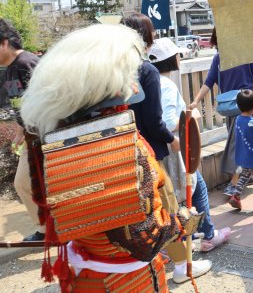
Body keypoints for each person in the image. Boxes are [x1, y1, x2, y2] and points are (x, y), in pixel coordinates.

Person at [20, 24, 203, 292]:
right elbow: (143, 241)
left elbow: (39, 203)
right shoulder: (120, 144)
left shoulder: (50, 140)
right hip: (128, 280)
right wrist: (182, 222)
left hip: (84, 272)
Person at [122, 14, 212, 283]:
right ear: (147, 38)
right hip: (149, 154)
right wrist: (171, 140)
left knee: (138, 213)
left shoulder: (115, 68)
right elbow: (153, 120)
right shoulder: (145, 70)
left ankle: (148, 261)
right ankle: (183, 268)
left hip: (120, 151)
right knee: (167, 208)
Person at [149, 38, 231, 252]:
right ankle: (206, 237)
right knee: (195, 189)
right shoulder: (165, 84)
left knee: (184, 193)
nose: (179, 57)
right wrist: (191, 116)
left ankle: (190, 238)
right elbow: (167, 122)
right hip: (173, 148)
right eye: (177, 54)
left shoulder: (150, 81)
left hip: (157, 150)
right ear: (170, 60)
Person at [188, 27, 253, 196]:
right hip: (247, 108)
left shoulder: (219, 58)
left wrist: (196, 101)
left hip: (231, 109)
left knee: (237, 145)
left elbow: (208, 82)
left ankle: (237, 180)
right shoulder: (246, 57)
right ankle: (236, 182)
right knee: (242, 145)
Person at [0, 19, 43, 242]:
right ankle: (48, 229)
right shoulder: (9, 70)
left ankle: (49, 230)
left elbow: (44, 102)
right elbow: (20, 106)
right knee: (27, 183)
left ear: (4, 43)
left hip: (44, 136)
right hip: (31, 136)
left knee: (27, 183)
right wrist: (19, 133)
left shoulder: (27, 63)